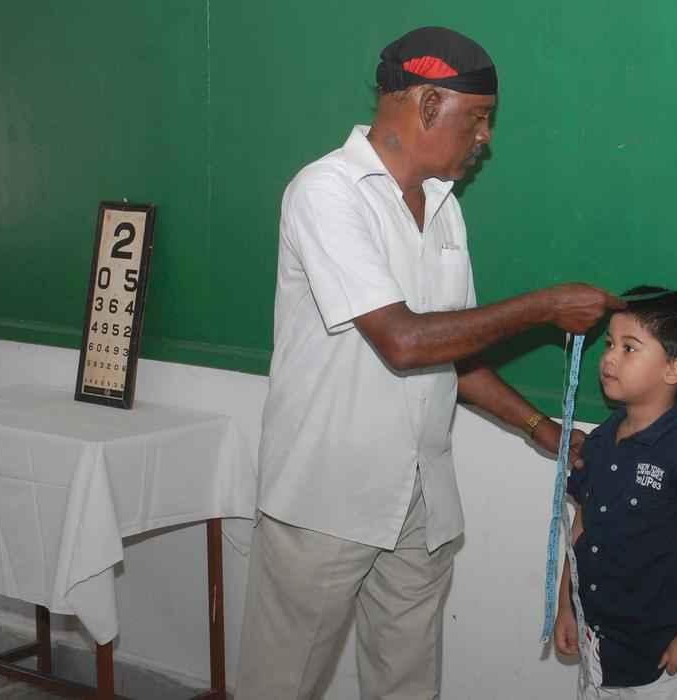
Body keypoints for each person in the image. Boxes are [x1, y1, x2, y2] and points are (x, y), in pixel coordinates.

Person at [235, 26, 623, 700]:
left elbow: (455, 354)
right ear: (427, 103)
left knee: (407, 684)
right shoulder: (327, 192)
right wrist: (544, 307)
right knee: (281, 685)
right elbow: (404, 341)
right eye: (479, 118)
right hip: (326, 497)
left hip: (421, 498)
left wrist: (542, 430)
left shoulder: (444, 209)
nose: (486, 139)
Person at [554, 286, 677, 700]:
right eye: (609, 344)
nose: (609, 357)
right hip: (600, 644)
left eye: (629, 348)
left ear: (674, 370)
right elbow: (582, 528)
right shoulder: (600, 442)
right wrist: (568, 606)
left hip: (664, 660)